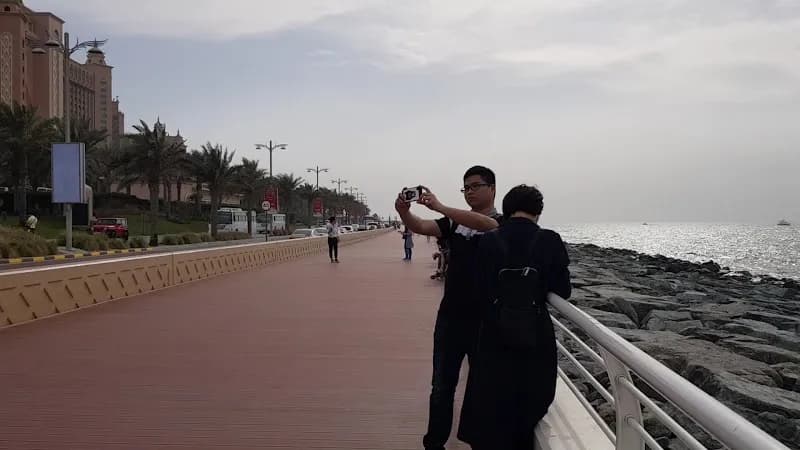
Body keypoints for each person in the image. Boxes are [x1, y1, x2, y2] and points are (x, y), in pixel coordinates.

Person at [394, 165, 501, 450]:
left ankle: (479, 440)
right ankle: (434, 442)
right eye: (466, 187)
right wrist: (403, 212)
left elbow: (487, 226)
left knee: (482, 387)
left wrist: (441, 206)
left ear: (492, 188)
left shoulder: (501, 223)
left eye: (475, 186)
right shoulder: (453, 223)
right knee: (441, 386)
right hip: (451, 317)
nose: (469, 192)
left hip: (486, 321)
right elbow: (420, 226)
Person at [459, 185, 571, 450]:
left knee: (492, 403)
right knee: (530, 402)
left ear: (507, 210)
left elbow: (478, 290)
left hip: (493, 336)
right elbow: (563, 291)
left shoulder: (488, 241)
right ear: (538, 211)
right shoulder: (549, 240)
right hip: (534, 335)